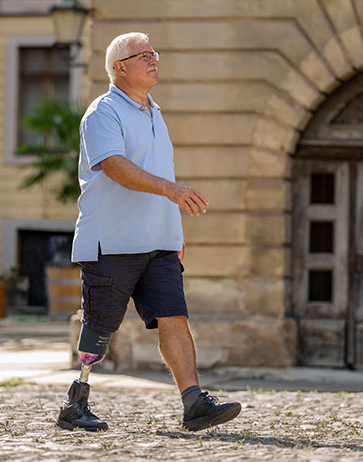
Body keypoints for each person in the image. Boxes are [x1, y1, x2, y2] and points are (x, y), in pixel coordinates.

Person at [56, 32, 241, 433]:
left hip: (159, 244)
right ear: (119, 68)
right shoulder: (102, 112)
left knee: (174, 317)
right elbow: (116, 167)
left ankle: (194, 402)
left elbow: (160, 175)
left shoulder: (155, 113)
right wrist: (171, 190)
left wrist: (174, 235)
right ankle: (75, 403)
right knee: (100, 324)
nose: (153, 60)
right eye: (143, 55)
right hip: (112, 241)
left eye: (154, 53)